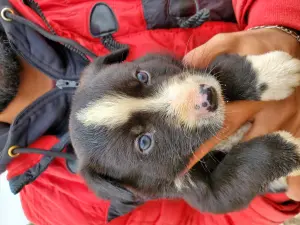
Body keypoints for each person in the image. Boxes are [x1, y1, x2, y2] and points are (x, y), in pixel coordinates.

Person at [0, 0, 299, 225]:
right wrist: (278, 186)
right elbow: (213, 214)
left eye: (142, 79)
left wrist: (280, 24)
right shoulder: (55, 210)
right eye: (143, 142)